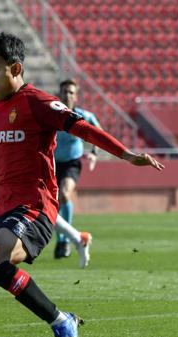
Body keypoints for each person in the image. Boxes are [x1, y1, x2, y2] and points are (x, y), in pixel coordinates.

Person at [0, 33, 164, 337]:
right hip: (2, 210)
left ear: (15, 67)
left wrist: (126, 154)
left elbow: (81, 127)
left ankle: (58, 319)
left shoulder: (38, 102)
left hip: (34, 208)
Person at [54, 78, 101, 260]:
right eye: (65, 92)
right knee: (51, 203)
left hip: (71, 164)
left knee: (64, 194)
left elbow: (99, 133)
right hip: (51, 164)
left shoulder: (83, 116)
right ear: (59, 95)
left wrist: (94, 152)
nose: (67, 95)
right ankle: (61, 238)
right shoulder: (51, 115)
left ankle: (65, 241)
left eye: (71, 92)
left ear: (76, 96)